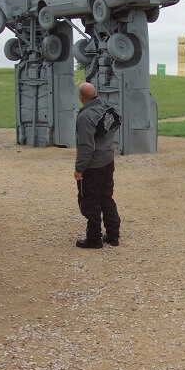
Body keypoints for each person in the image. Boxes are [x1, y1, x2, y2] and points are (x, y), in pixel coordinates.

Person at [74, 82, 121, 248]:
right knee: (106, 197)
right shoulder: (106, 105)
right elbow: (117, 120)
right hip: (108, 160)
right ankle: (113, 235)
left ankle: (94, 239)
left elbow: (86, 147)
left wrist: (79, 169)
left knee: (90, 200)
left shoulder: (85, 116)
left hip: (93, 166)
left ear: (81, 98)